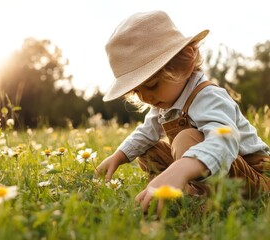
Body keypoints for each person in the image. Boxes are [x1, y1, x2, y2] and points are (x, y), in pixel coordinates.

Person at [95, 10, 270, 215]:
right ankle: (170, 192)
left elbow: (224, 142)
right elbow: (145, 133)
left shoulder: (210, 96)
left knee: (185, 138)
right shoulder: (164, 105)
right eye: (137, 91)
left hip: (255, 176)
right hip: (208, 172)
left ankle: (201, 202)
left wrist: (180, 169)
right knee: (148, 148)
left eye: (151, 85)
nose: (145, 97)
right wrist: (120, 155)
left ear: (186, 61)